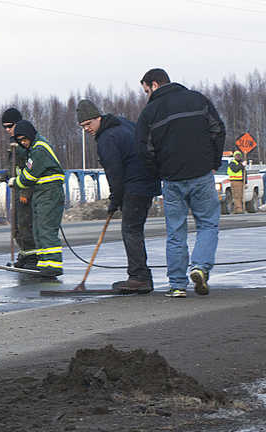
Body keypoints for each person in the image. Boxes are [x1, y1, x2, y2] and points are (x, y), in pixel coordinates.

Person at [136, 68, 225, 297]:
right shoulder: (198, 99)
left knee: (176, 232)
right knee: (207, 224)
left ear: (154, 84)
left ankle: (177, 285)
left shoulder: (149, 113)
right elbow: (218, 129)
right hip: (201, 174)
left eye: (146, 90)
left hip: (172, 179)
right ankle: (200, 267)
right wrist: (213, 161)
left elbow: (145, 151)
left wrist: (159, 172)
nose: (147, 95)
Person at [76, 99, 160, 293]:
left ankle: (139, 277)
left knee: (130, 230)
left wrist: (115, 200)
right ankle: (142, 276)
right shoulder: (123, 123)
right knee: (134, 229)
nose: (87, 129)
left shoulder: (107, 138)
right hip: (147, 182)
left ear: (98, 117)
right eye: (83, 126)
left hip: (135, 185)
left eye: (89, 124)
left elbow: (115, 173)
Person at [11, 119, 65, 276]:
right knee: (39, 228)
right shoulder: (34, 148)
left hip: (50, 193)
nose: (23, 143)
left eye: (24, 139)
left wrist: (15, 182)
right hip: (42, 193)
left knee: (46, 228)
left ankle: (53, 265)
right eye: (20, 141)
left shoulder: (39, 149)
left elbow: (29, 176)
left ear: (30, 135)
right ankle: (44, 263)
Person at [1, 108, 36, 267]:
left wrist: (26, 191)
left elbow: (30, 169)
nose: (8, 130)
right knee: (15, 226)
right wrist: (7, 174)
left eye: (10, 126)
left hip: (24, 191)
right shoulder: (13, 144)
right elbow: (15, 167)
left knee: (25, 224)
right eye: (5, 127)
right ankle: (23, 255)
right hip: (16, 189)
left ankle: (32, 257)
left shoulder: (25, 143)